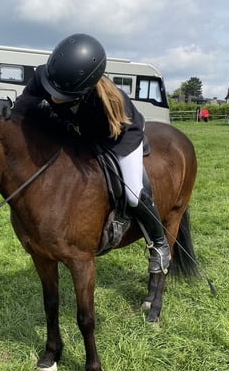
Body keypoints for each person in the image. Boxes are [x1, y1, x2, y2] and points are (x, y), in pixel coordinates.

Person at [10, 33, 170, 274]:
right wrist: (5, 107)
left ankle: (159, 244)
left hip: (119, 136)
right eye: (51, 90)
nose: (53, 97)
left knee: (133, 192)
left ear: (85, 89)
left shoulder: (107, 102)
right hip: (81, 133)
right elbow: (26, 103)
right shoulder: (46, 76)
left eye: (61, 95)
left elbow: (101, 135)